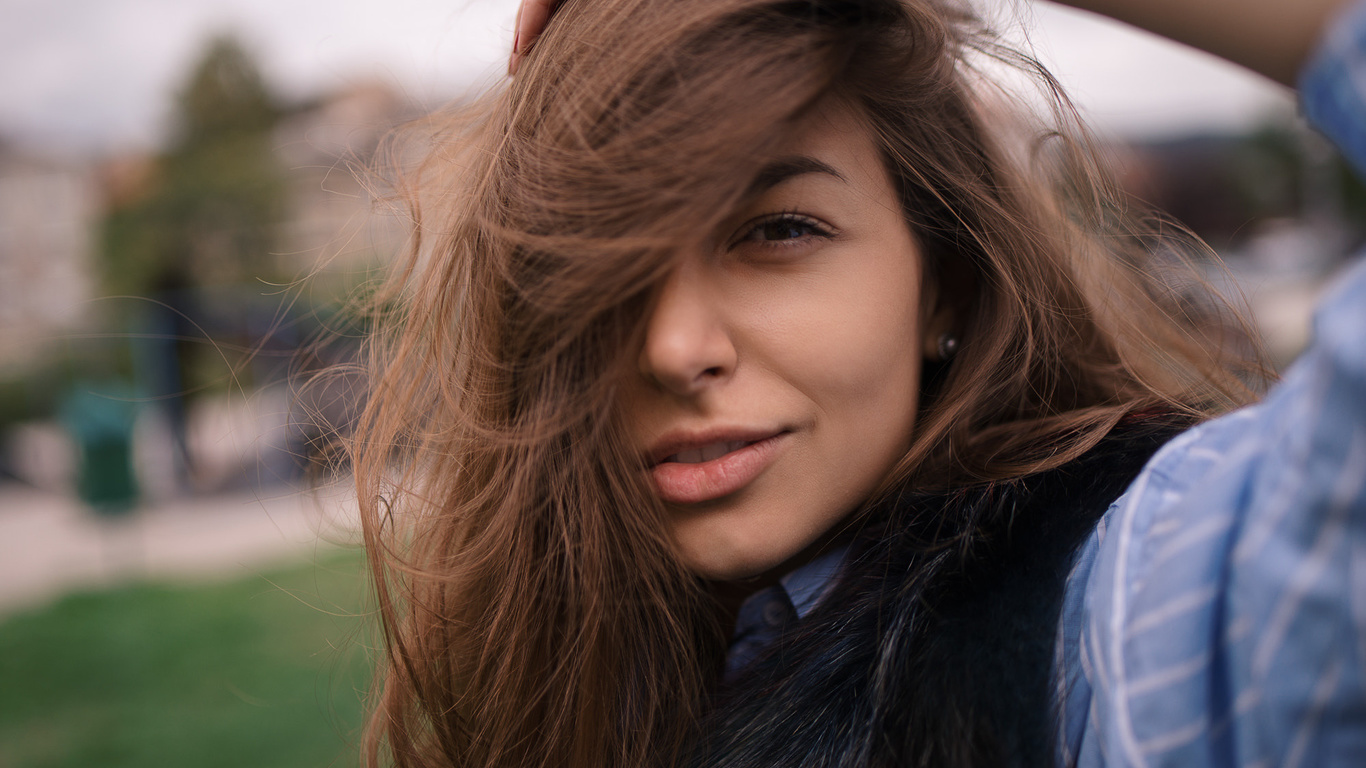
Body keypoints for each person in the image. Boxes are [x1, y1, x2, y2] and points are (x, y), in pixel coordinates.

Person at [351, 0, 1366, 765]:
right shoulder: (578, 660)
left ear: (946, 284)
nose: (670, 345)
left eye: (779, 231)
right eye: (601, 256)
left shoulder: (1107, 613)